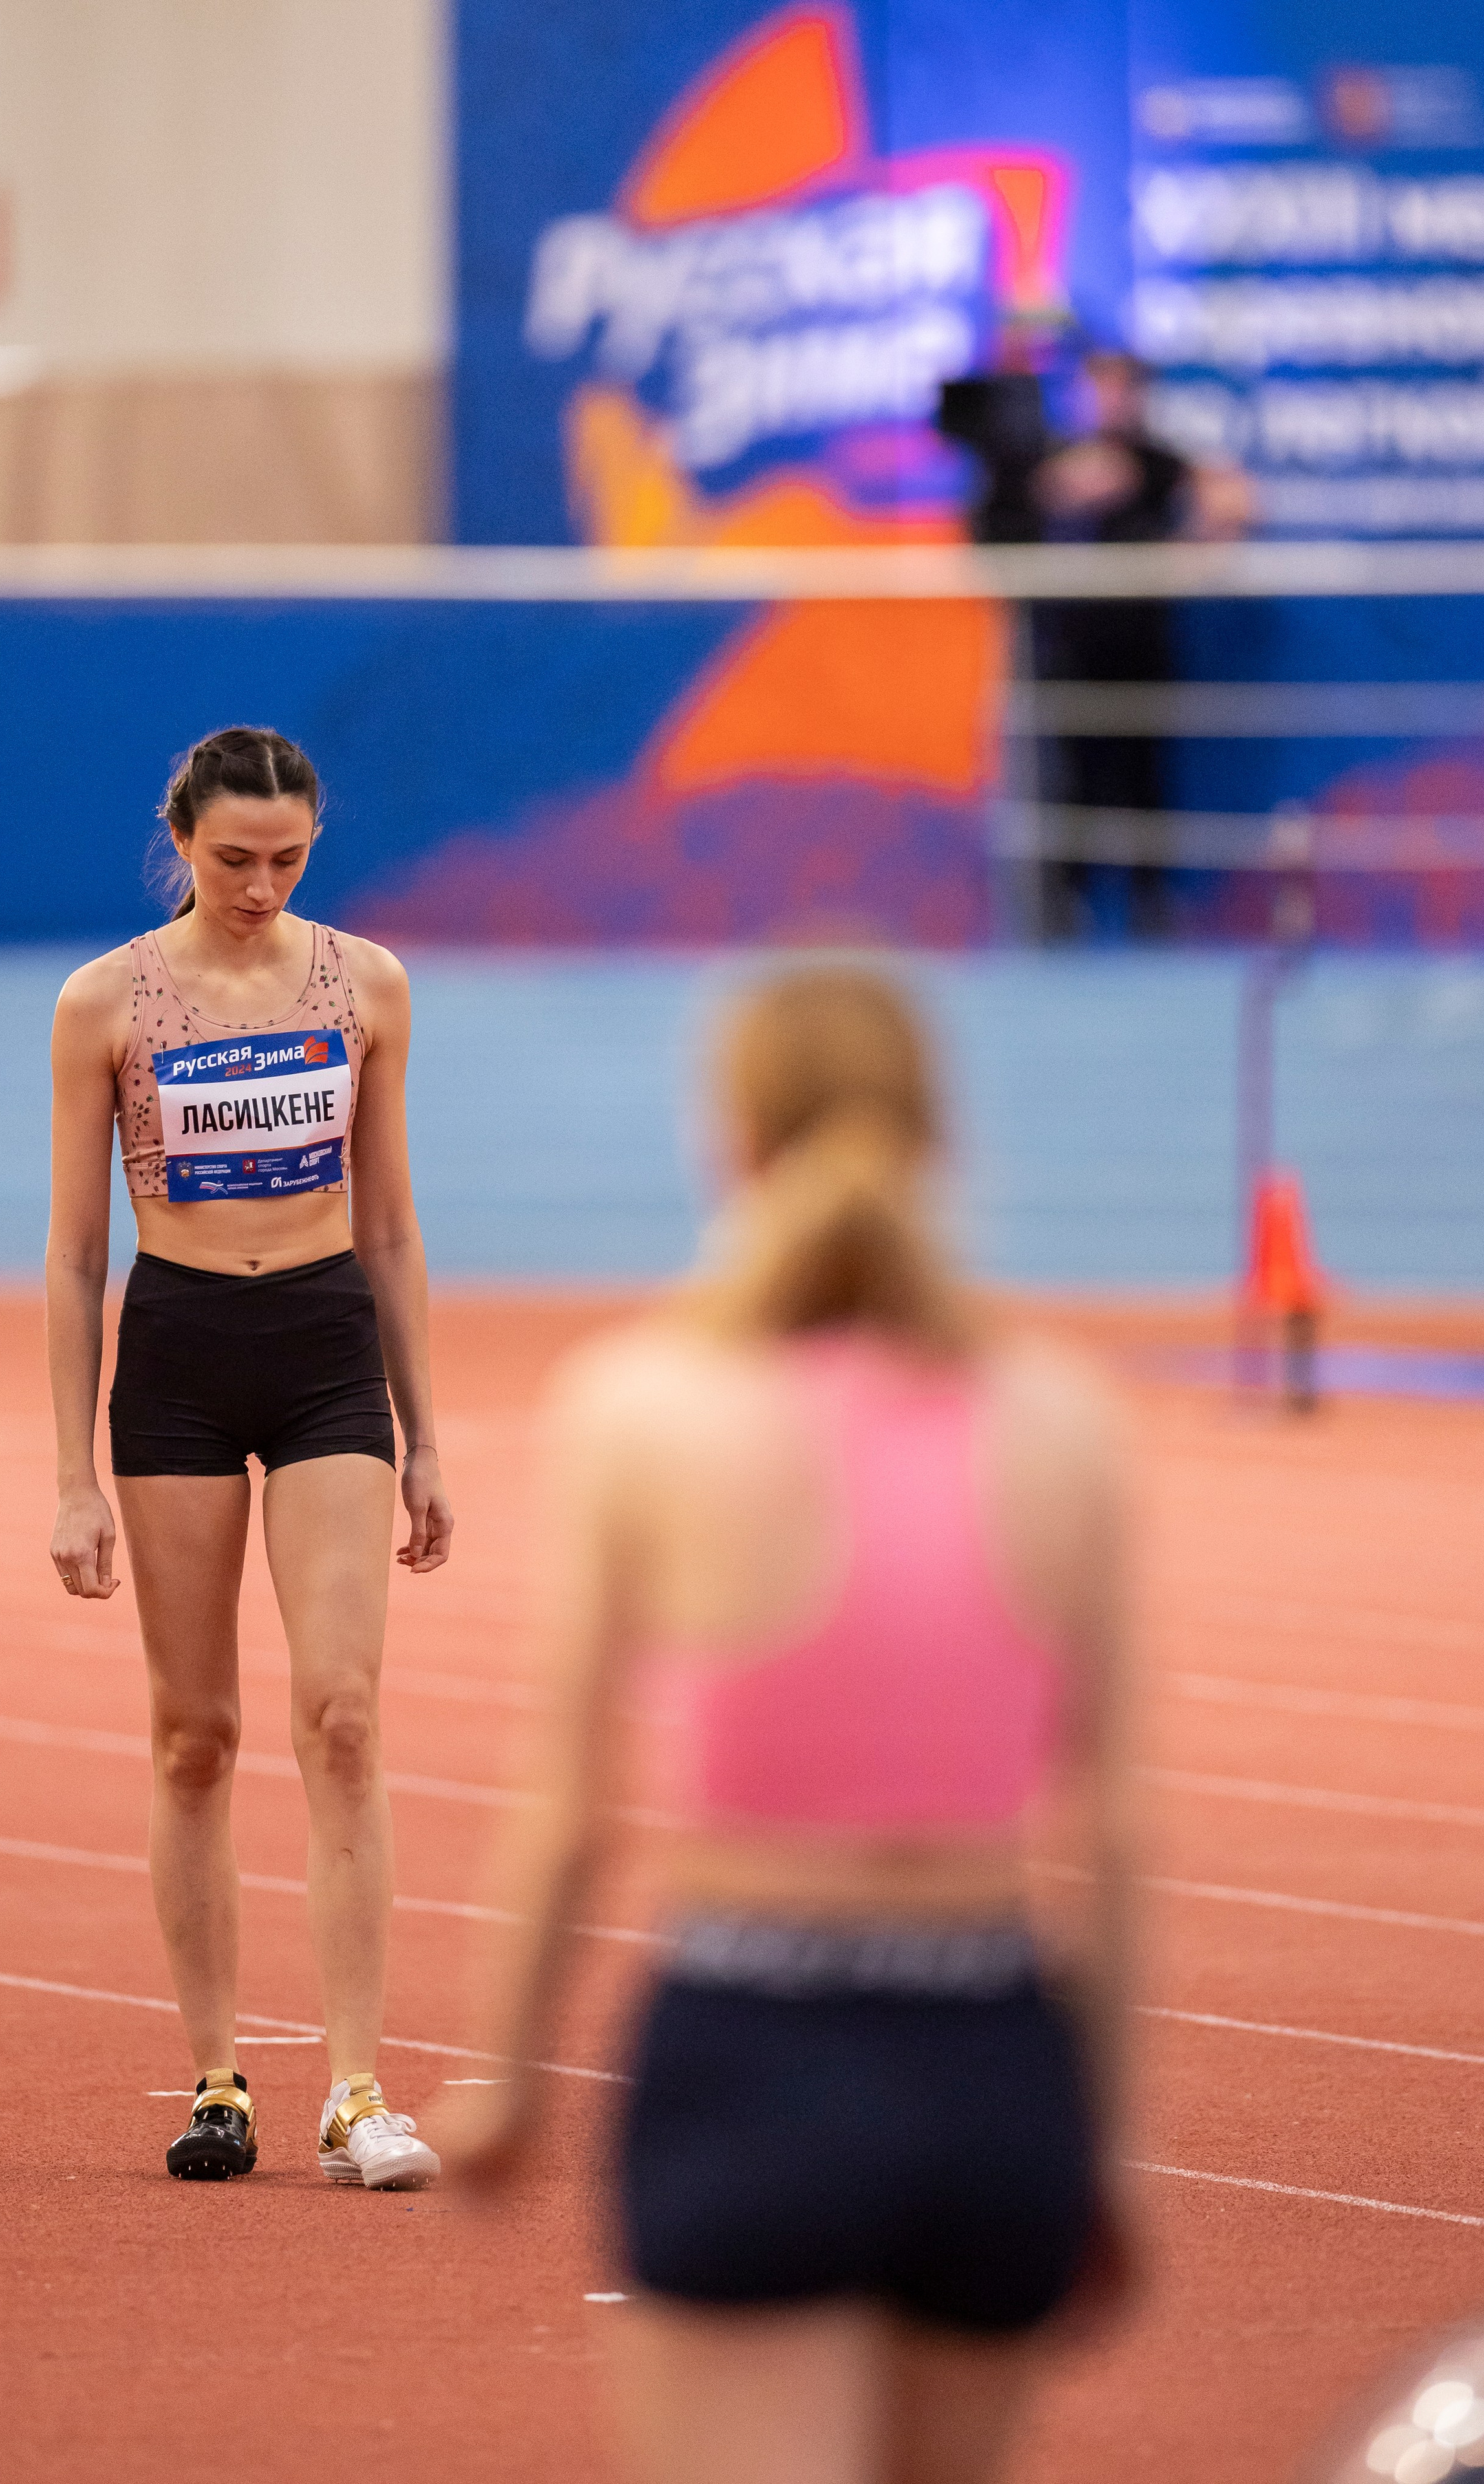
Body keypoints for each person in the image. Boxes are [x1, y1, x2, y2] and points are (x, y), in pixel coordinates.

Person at [442, 965, 1135, 2483]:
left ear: (729, 1138)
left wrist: (501, 2080)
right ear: (936, 1134)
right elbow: (1121, 1828)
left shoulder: (635, 1404)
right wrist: (1100, 2139)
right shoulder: (1063, 1417)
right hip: (991, 2050)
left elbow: (568, 1804)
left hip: (753, 2045)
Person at [47, 724, 453, 2187]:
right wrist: (68, 1468)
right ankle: (218, 2072)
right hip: (177, 1361)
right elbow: (77, 1250)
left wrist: (426, 1436)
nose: (259, 884)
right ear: (181, 838)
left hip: (327, 1344)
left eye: (287, 858)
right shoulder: (104, 1002)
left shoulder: (366, 984)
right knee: (193, 1732)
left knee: (341, 1713)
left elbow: (397, 1224)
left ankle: (357, 2086)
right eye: (232, 859)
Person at [941, 344, 1253, 940]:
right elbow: (989, 533)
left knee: (1143, 780)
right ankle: (1061, 909)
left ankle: (1150, 906)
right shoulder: (1041, 462)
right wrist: (1053, 493)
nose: (1113, 400)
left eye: (1124, 388)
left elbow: (1224, 513)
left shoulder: (1162, 465)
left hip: (1141, 651)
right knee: (1061, 782)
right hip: (1060, 655)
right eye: (1101, 387)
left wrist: (1209, 526)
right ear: (1082, 394)